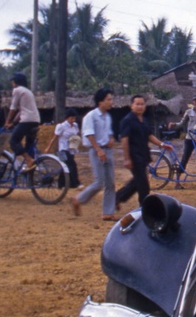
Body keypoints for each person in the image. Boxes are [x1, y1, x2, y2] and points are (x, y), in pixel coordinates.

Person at [116, 94, 172, 208]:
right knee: (143, 185)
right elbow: (124, 140)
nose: (140, 106)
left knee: (137, 181)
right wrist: (127, 158)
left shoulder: (144, 121)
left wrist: (162, 144)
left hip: (143, 155)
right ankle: (145, 207)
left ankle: (117, 197)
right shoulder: (127, 120)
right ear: (132, 106)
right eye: (137, 104)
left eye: (142, 104)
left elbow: (150, 136)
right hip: (134, 156)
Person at [72, 88, 117, 221]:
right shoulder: (90, 116)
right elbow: (89, 134)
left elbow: (109, 132)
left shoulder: (107, 117)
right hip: (96, 150)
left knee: (111, 183)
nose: (111, 102)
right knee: (99, 182)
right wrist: (98, 150)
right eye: (108, 99)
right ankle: (78, 199)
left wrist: (111, 139)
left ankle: (108, 212)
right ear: (100, 101)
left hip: (107, 150)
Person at [4, 73, 40, 173]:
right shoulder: (28, 92)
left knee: (13, 141)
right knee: (29, 145)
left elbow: (13, 108)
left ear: (15, 82)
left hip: (27, 121)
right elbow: (21, 111)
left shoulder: (17, 90)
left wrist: (7, 122)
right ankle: (31, 170)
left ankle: (29, 160)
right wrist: (13, 123)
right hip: (35, 120)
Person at [46, 109, 81, 189]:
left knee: (64, 167)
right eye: (71, 118)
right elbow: (55, 138)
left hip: (71, 149)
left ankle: (60, 184)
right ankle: (76, 183)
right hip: (62, 150)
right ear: (67, 118)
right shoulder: (61, 126)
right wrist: (49, 147)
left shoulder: (75, 125)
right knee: (72, 165)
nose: (73, 120)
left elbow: (77, 135)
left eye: (74, 118)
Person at [171, 93, 196, 174]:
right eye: (195, 101)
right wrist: (174, 124)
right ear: (193, 102)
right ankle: (178, 180)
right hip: (189, 138)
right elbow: (182, 123)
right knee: (185, 158)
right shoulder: (189, 112)